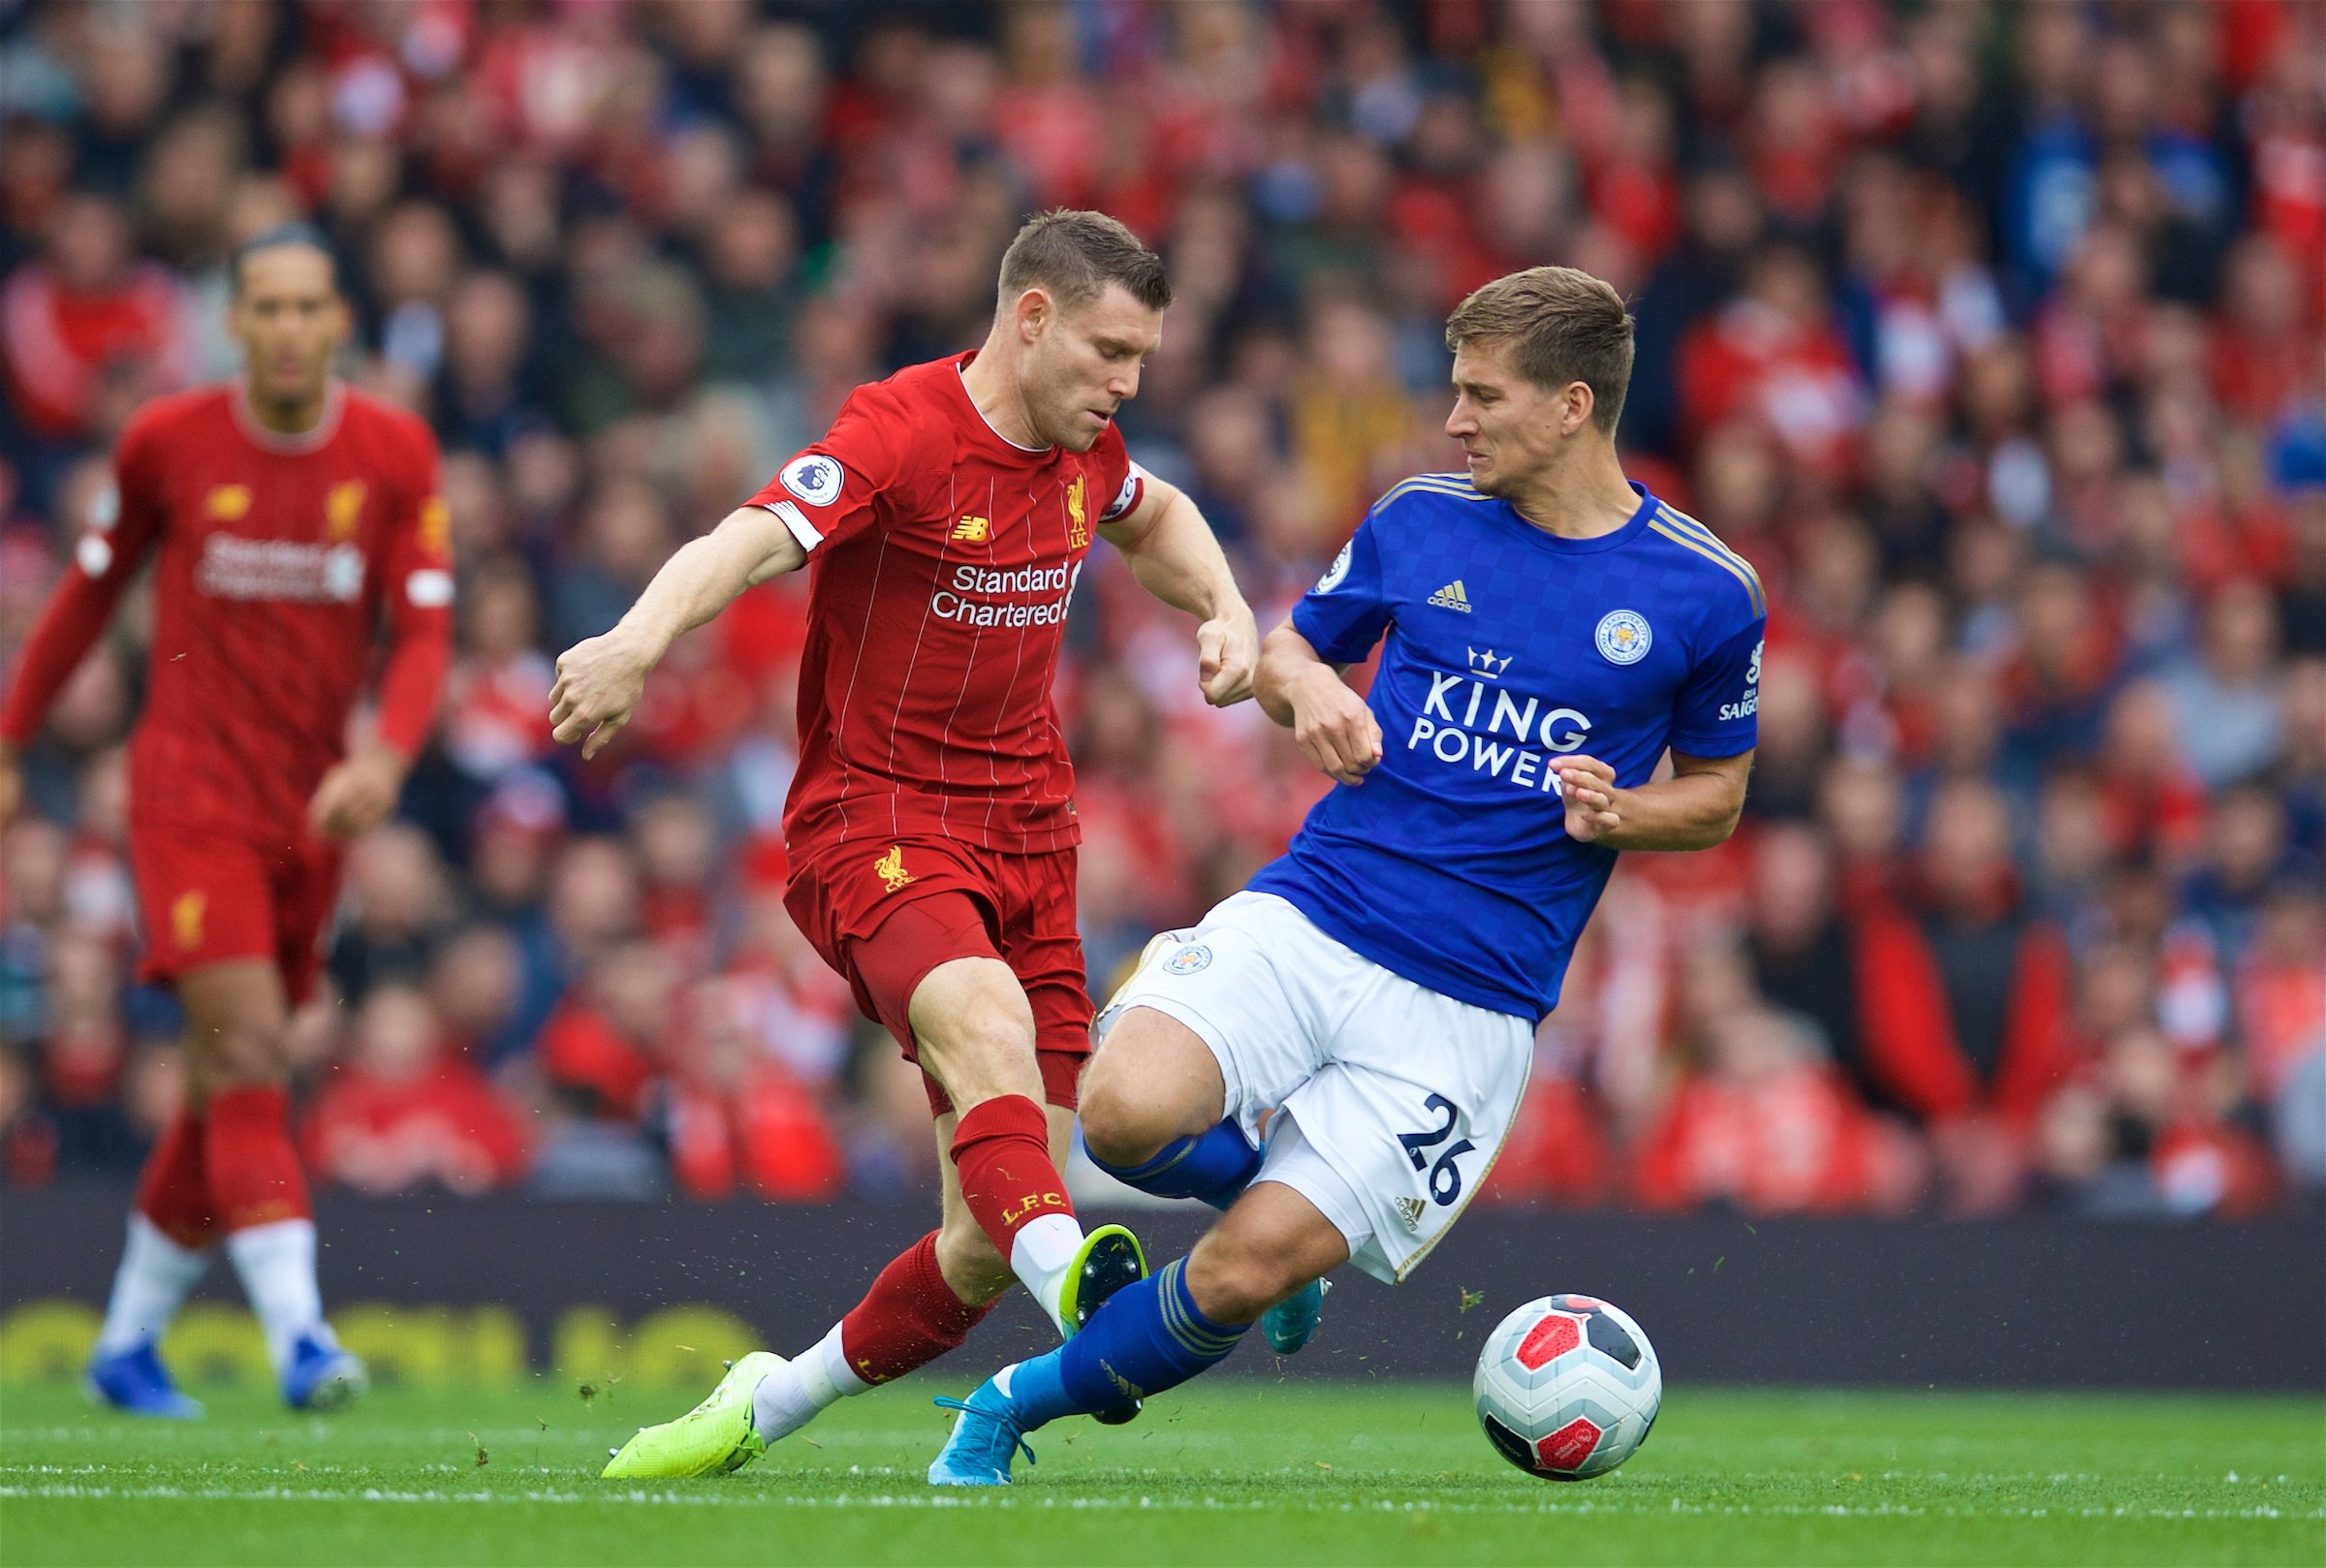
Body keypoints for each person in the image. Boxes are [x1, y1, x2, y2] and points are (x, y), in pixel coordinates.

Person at [925, 265, 1767, 1485]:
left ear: (1574, 405)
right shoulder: (1419, 520)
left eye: (1483, 395)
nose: (1456, 420)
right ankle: (1272, 1206)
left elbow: (1720, 797)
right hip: (1318, 908)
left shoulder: (1705, 590)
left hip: (1471, 1005)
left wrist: (1627, 809)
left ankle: (1002, 1409)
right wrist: (1311, 684)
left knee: (1241, 1269)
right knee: (1118, 1113)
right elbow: (1280, 653)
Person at [550, 210, 1259, 1479]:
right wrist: (637, 641)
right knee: (983, 1024)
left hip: (1033, 844)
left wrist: (1232, 613)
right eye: (1110, 351)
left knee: (984, 1233)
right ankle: (1089, 1301)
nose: (1128, 384)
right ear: (1030, 317)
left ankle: (766, 1403)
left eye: (1142, 358)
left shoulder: (1087, 450)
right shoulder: (901, 428)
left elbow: (1163, 519)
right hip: (876, 824)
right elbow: (753, 536)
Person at [0, 224, 456, 1416]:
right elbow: (85, 598)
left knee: (222, 1082)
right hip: (189, 801)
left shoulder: (395, 451)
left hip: (318, 815)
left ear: (340, 321)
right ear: (235, 322)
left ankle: (124, 1344)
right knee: (255, 1049)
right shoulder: (168, 441)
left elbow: (423, 630)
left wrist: (390, 752)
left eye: (312, 307)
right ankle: (302, 1339)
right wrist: (8, 738)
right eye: (270, 307)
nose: (292, 329)